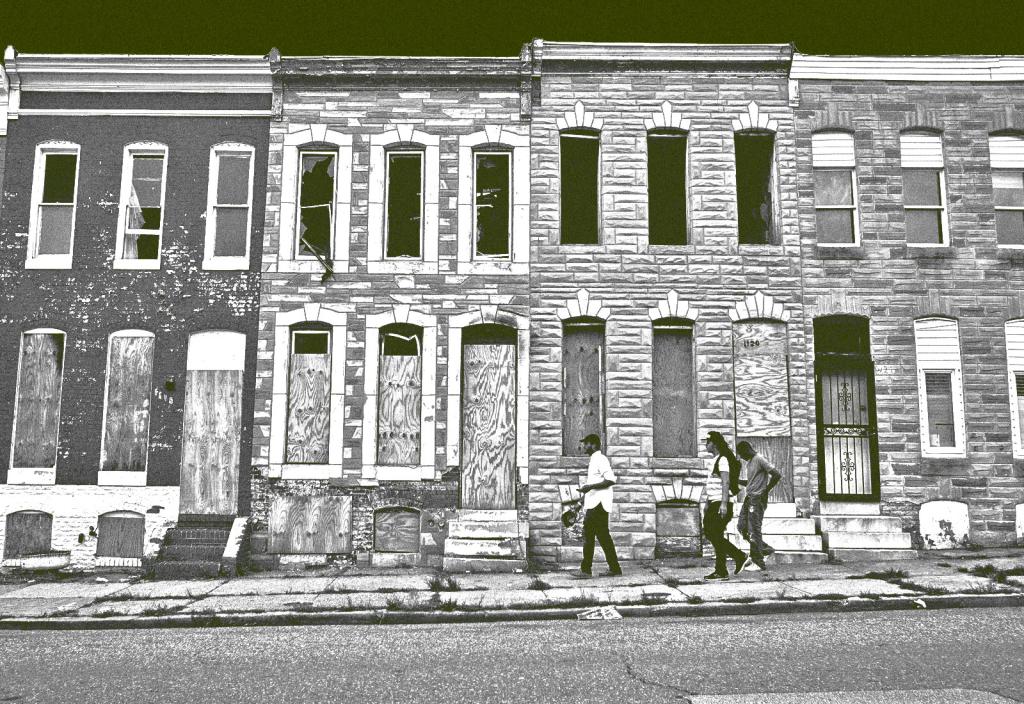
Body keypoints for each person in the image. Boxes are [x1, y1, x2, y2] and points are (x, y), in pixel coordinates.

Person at [575, 433, 622, 578]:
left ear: (594, 444)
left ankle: (586, 570)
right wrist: (579, 503)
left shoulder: (600, 459)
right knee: (603, 536)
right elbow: (592, 488)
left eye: (586, 443)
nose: (583, 446)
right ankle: (615, 568)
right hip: (595, 503)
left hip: (598, 505)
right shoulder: (593, 460)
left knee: (589, 535)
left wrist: (589, 487)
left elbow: (611, 480)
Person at [702, 432, 747, 580]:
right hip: (714, 503)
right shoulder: (716, 460)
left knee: (712, 533)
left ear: (714, 443)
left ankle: (738, 556)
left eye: (707, 442)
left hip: (721, 504)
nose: (705, 445)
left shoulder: (722, 460)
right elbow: (713, 485)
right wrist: (707, 503)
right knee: (714, 535)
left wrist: (723, 504)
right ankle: (721, 570)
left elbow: (725, 482)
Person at [736, 440, 782, 571]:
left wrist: (765, 491)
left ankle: (758, 561)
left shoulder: (759, 459)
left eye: (741, 454)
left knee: (754, 529)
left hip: (757, 499)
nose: (742, 458)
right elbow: (751, 482)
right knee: (741, 527)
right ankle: (764, 549)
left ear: (746, 450)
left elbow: (777, 475)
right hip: (749, 498)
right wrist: (737, 481)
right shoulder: (750, 462)